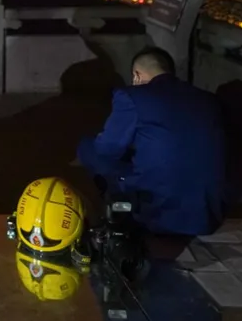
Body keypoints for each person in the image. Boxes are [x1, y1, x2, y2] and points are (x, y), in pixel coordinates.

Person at [77, 47, 225, 237]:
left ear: (137, 76)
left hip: (158, 213)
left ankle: (114, 208)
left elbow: (107, 149)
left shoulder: (132, 96)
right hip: (207, 216)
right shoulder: (208, 100)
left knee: (88, 147)